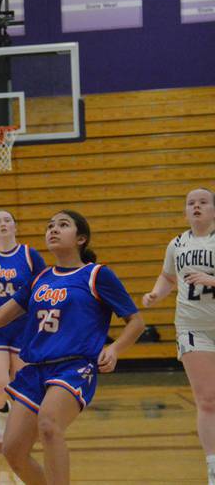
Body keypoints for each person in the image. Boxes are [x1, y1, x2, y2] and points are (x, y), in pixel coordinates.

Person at [0, 210, 145, 485]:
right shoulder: (39, 278)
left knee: (48, 424)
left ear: (81, 238)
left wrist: (115, 348)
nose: (53, 230)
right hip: (35, 369)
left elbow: (136, 322)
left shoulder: (96, 275)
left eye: (63, 225)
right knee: (13, 450)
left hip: (73, 366)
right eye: (49, 226)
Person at [143, 187, 215, 485]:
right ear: (185, 211)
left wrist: (211, 279)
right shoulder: (177, 244)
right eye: (191, 203)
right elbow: (168, 276)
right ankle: (213, 467)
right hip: (192, 327)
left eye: (203, 202)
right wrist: (156, 293)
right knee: (207, 399)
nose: (196, 206)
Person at [0, 210, 46, 442]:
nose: (2, 224)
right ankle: (1, 411)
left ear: (15, 226)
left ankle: (22, 425)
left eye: (7, 220)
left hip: (23, 326)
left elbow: (45, 285)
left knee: (20, 383)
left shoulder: (30, 255)